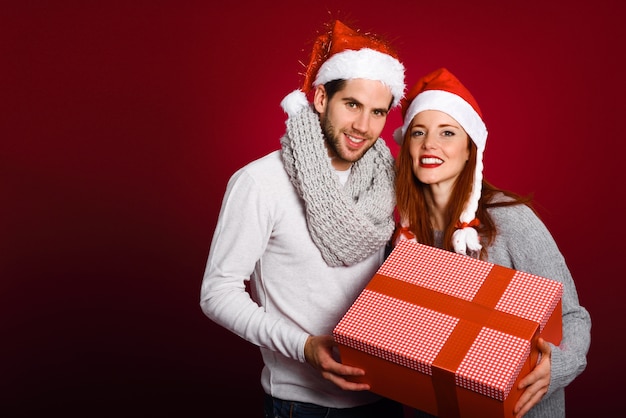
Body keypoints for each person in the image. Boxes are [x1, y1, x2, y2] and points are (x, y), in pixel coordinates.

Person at [200, 20, 407, 417]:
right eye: (352, 104)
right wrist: (304, 346)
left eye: (378, 112)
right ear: (319, 98)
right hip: (304, 404)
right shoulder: (259, 182)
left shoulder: (388, 180)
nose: (364, 127)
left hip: (390, 395)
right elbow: (217, 292)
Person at [392, 67, 591, 418]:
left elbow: (572, 316)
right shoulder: (405, 237)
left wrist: (555, 368)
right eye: (418, 132)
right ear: (406, 144)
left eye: (447, 132)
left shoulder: (510, 220)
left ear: (470, 150)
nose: (429, 145)